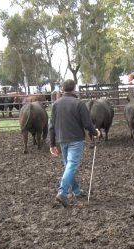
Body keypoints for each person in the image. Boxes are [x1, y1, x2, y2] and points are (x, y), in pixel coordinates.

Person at [49, 79, 101, 208]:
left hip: (62, 139)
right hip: (76, 139)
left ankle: (76, 191)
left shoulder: (56, 104)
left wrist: (52, 144)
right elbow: (87, 123)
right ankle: (62, 192)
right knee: (72, 165)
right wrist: (95, 133)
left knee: (68, 165)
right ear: (74, 89)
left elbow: (51, 125)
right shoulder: (79, 103)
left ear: (63, 89)